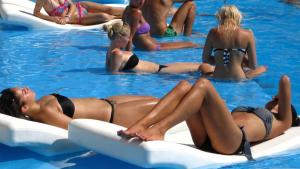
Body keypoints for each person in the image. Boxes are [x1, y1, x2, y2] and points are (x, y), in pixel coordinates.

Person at [118, 75, 299, 159]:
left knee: (204, 84)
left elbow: (284, 81)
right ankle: (142, 124)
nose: (275, 100)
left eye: (280, 102)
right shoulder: (257, 109)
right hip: (207, 137)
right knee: (184, 86)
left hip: (232, 144)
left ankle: (159, 129)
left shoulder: (283, 122)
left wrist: (283, 99)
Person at [0, 87, 159, 129]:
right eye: (22, 92)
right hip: (115, 115)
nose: (25, 88)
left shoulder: (42, 102)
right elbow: (76, 128)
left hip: (110, 102)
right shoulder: (45, 112)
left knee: (155, 100)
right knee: (164, 103)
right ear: (24, 108)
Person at [104, 22, 203, 73]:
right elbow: (114, 74)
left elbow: (110, 69)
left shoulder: (111, 50)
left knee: (196, 66)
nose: (129, 39)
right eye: (128, 36)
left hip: (158, 68)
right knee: (196, 68)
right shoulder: (117, 53)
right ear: (120, 37)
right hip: (157, 72)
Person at [200, 5, 267, 81]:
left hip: (218, 77)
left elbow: (205, 59)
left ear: (220, 17)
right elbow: (253, 66)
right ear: (238, 17)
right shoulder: (248, 34)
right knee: (263, 68)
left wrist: (221, 61)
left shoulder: (213, 32)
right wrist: (239, 59)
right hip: (238, 79)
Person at [122, 0, 198, 51]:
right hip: (165, 34)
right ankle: (188, 36)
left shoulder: (133, 6)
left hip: (148, 33)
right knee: (191, 4)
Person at [33, 0, 124, 25]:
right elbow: (36, 13)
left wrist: (67, 16)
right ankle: (120, 17)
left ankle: (135, 10)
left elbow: (72, 4)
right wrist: (52, 18)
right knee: (103, 16)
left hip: (81, 6)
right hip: (78, 18)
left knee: (109, 9)